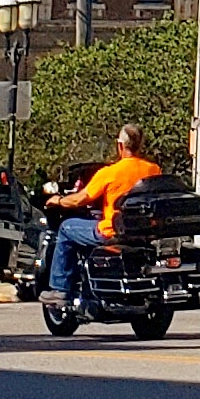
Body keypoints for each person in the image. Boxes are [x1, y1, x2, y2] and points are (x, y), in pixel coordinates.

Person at [41, 125, 161, 309]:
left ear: (120, 146)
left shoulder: (109, 172)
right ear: (140, 145)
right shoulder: (153, 170)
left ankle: (60, 289)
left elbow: (80, 200)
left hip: (111, 232)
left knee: (66, 228)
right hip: (143, 233)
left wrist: (58, 200)